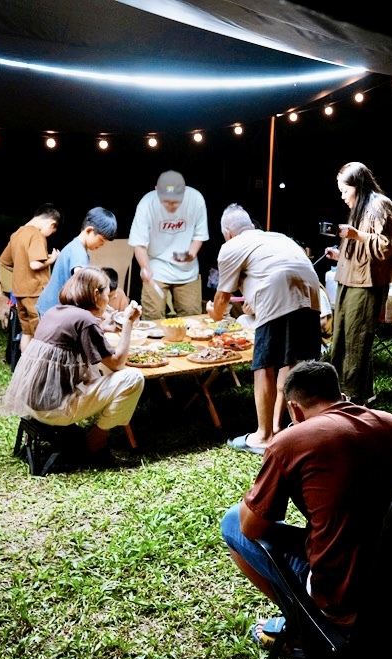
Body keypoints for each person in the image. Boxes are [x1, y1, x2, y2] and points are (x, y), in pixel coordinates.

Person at [221, 361, 392, 643]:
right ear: (339, 395)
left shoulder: (292, 440)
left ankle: (307, 627)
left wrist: (258, 490)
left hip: (343, 601)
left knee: (232, 521)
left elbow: (251, 528)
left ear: (295, 408)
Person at [207, 204, 322, 454]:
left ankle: (263, 435)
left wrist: (213, 312)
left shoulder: (231, 247)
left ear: (227, 232)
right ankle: (282, 428)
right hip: (311, 292)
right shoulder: (276, 237)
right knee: (291, 362)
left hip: (279, 290)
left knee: (264, 365)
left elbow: (222, 299)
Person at [3, 266, 145, 463]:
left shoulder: (55, 311)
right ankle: (98, 438)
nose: (108, 299)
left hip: (34, 403)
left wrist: (101, 325)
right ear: (96, 294)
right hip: (55, 409)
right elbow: (118, 363)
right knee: (133, 378)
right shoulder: (85, 319)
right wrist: (128, 322)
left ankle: (92, 430)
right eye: (107, 294)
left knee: (99, 369)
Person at [324, 162, 392, 405]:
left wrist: (356, 235)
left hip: (366, 285)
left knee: (356, 338)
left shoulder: (379, 205)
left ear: (358, 186)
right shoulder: (360, 206)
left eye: (345, 191)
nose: (343, 197)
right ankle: (356, 391)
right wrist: (340, 254)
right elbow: (361, 247)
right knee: (342, 335)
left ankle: (353, 397)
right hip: (350, 279)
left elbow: (386, 245)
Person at [129, 170, 209, 320]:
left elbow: (199, 236)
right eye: (166, 201)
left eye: (176, 202)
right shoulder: (147, 203)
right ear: (156, 191)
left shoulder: (196, 199)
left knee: (191, 319)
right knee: (152, 319)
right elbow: (139, 244)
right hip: (156, 266)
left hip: (187, 271)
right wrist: (145, 268)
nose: (171, 206)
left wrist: (189, 255)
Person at [0, 204, 62, 353]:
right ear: (51, 223)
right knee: (41, 334)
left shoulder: (17, 234)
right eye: (51, 231)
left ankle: (24, 367)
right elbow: (34, 264)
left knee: (26, 331)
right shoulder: (36, 235)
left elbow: (4, 262)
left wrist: (21, 270)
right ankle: (38, 369)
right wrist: (52, 259)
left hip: (19, 292)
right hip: (36, 293)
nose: (49, 234)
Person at [35, 207, 118, 318]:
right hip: (54, 309)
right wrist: (102, 311)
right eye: (101, 240)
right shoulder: (78, 252)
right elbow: (84, 287)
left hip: (51, 306)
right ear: (89, 230)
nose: (102, 245)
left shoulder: (76, 247)